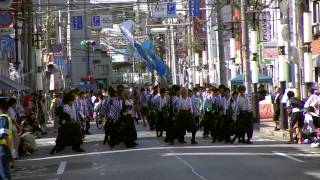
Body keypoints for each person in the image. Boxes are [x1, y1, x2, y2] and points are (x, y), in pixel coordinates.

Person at [0, 97, 12, 180]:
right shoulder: (4, 118)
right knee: (4, 175)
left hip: (2, 149)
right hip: (3, 148)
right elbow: (5, 135)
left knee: (3, 175)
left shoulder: (3, 118)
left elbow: (4, 135)